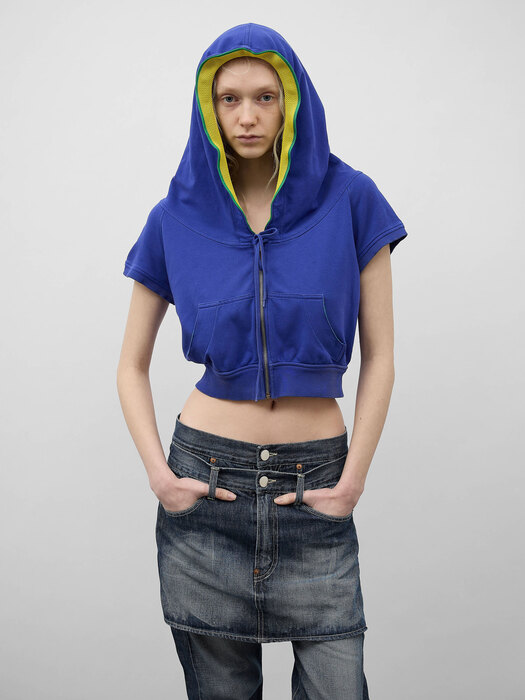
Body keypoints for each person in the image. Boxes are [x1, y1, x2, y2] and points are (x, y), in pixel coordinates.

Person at [117, 22, 408, 700]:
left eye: (264, 97)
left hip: (315, 484)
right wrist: (160, 476)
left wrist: (353, 481)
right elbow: (130, 365)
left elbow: (382, 355)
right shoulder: (174, 217)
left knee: (338, 687)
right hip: (206, 481)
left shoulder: (350, 199)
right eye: (229, 99)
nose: (246, 116)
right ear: (209, 108)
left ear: (292, 102)